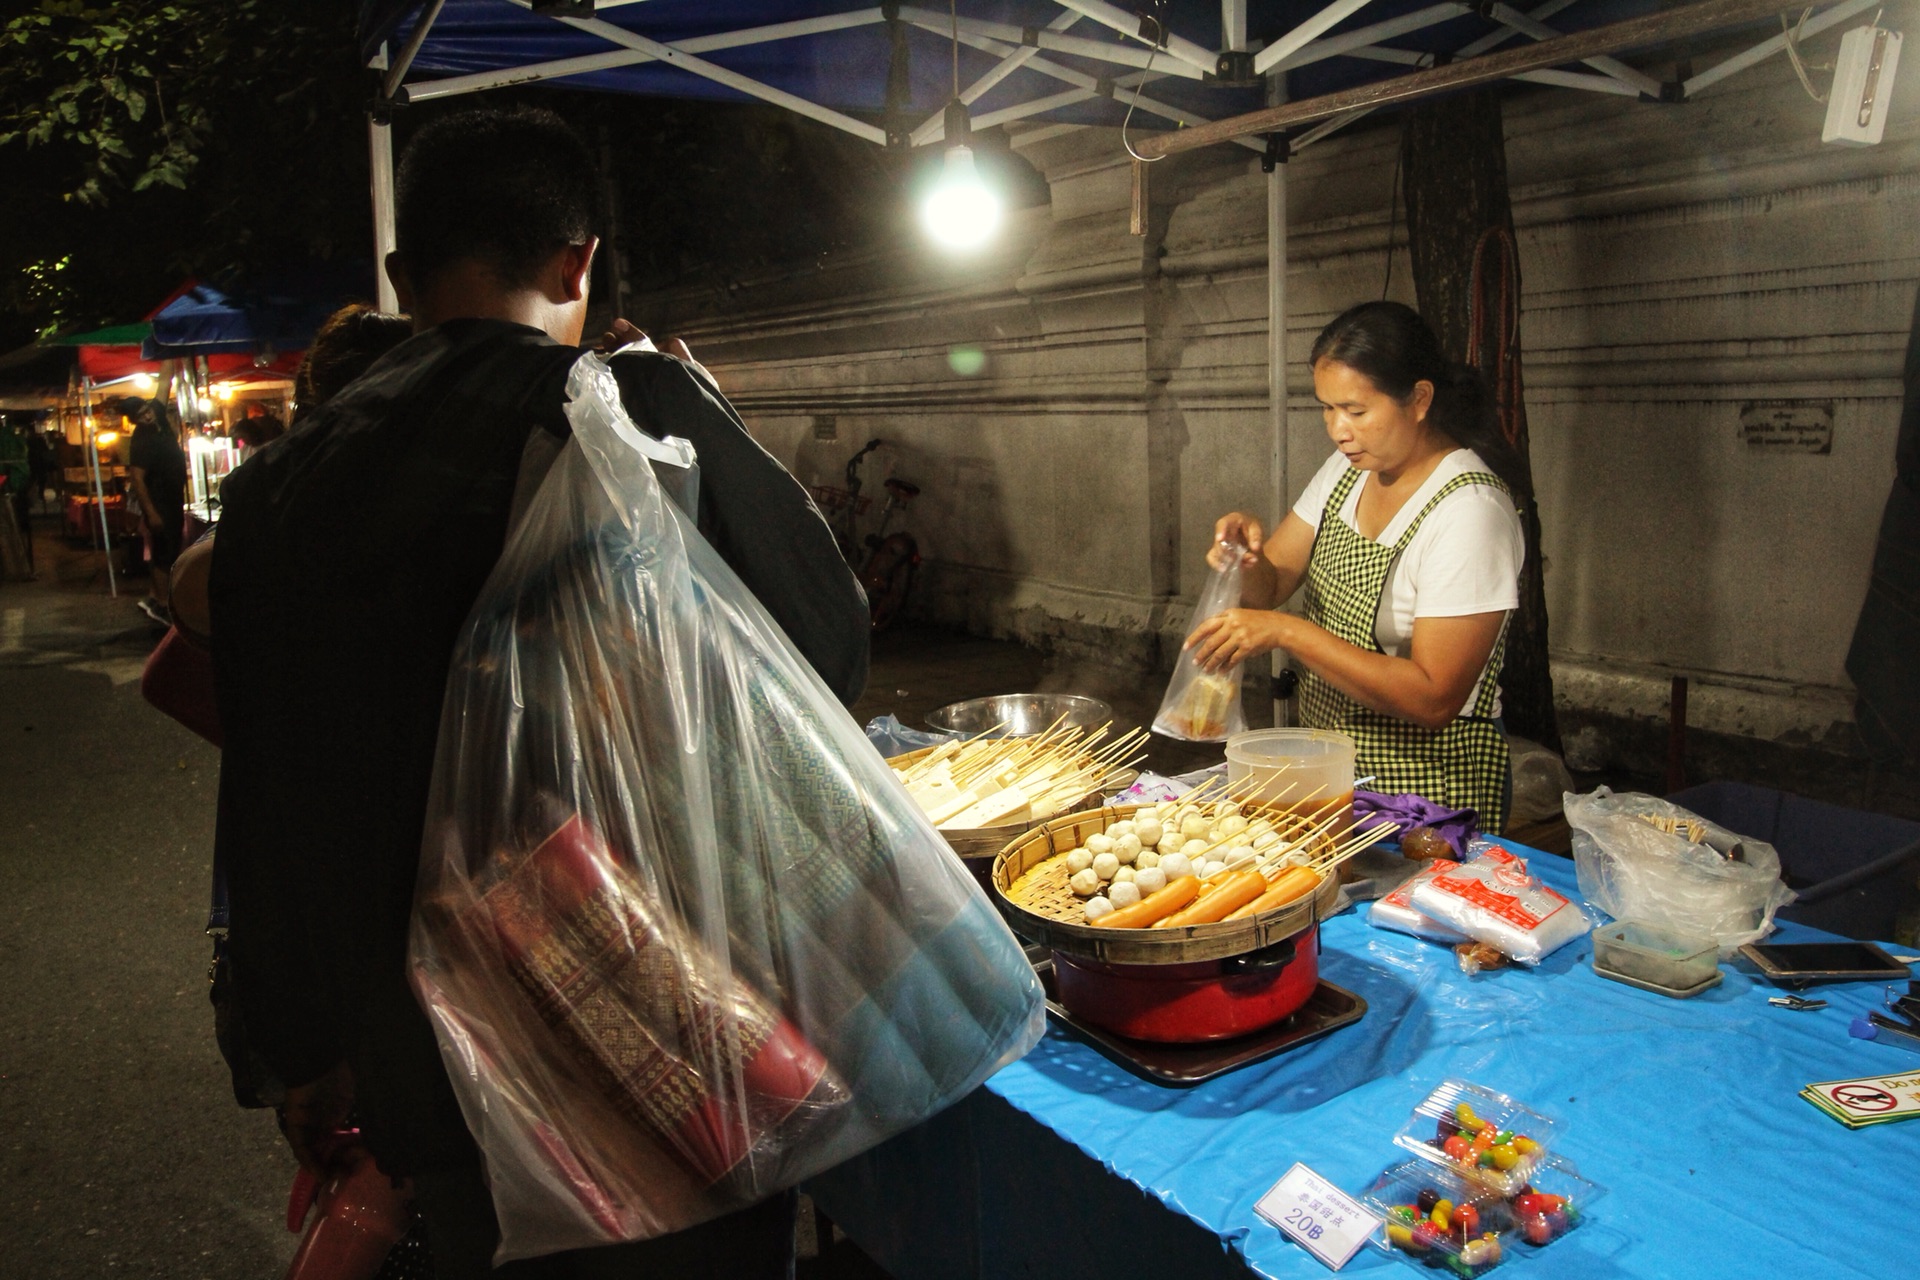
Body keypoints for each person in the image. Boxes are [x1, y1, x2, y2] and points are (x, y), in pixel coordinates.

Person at [209, 106, 867, 1278]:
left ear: (406, 278)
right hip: (662, 1030)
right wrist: (698, 404)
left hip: (432, 1059)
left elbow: (270, 794)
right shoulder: (626, 416)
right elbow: (826, 644)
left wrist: (302, 1047)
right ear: (580, 261)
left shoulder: (272, 492)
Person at [1188, 301, 1526, 832]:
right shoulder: (1345, 473)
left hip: (1431, 790)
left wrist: (1288, 633)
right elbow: (1271, 584)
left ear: (1418, 400)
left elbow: (1434, 696)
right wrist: (1245, 558)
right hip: (1337, 773)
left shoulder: (1469, 512)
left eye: (1356, 410)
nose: (1338, 430)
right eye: (1327, 408)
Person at [122, 395, 189, 628]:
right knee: (163, 553)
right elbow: (137, 479)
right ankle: (161, 603)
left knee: (169, 549)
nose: (147, 415)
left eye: (147, 409)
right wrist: (151, 512)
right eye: (141, 415)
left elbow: (164, 380)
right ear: (134, 420)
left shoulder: (158, 418)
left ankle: (155, 596)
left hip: (172, 499)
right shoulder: (141, 438)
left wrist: (166, 357)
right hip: (159, 502)